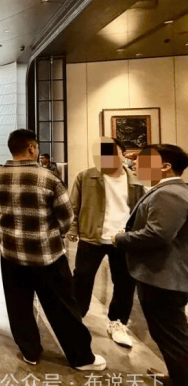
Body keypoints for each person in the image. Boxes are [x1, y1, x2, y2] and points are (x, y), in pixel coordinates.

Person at [0, 129, 105, 371]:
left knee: (18, 306)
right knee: (62, 307)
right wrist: (50, 233)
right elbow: (66, 217)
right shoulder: (48, 178)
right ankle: (81, 358)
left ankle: (29, 351)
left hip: (10, 253)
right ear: (32, 148)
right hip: (47, 255)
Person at [113, 145, 188, 386]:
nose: (135, 165)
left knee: (173, 338)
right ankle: (178, 378)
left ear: (165, 166)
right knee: (169, 335)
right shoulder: (170, 190)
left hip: (164, 277)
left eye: (143, 161)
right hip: (164, 275)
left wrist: (120, 238)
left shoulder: (170, 193)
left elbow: (158, 235)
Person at [68, 137, 145, 348]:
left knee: (125, 283)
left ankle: (117, 322)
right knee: (82, 278)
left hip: (124, 239)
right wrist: (73, 229)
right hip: (92, 236)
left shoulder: (137, 179)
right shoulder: (86, 176)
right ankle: (75, 318)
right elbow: (73, 205)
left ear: (123, 154)